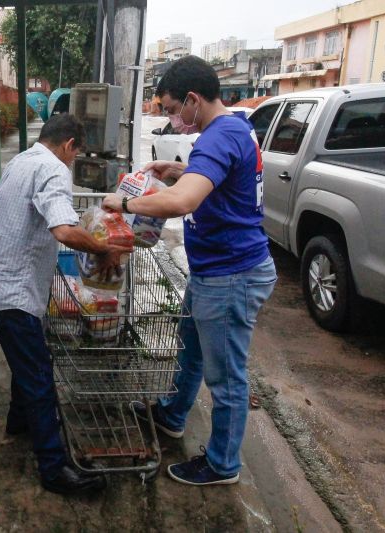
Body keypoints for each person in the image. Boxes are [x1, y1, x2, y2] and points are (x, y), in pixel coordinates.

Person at [102, 55, 277, 486]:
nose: (169, 118)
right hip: (215, 270)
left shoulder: (220, 136)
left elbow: (182, 203)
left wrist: (123, 203)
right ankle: (173, 414)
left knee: (226, 375)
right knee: (191, 348)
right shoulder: (231, 129)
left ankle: (222, 464)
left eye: (170, 108)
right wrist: (180, 170)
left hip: (230, 274)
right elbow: (219, 180)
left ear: (193, 100)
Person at [0, 113, 131, 495]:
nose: (72, 163)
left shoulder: (22, 160)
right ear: (69, 146)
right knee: (39, 377)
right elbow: (63, 229)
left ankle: (20, 422)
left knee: (28, 361)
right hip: (13, 294)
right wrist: (104, 248)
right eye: (75, 156)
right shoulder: (52, 168)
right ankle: (54, 468)